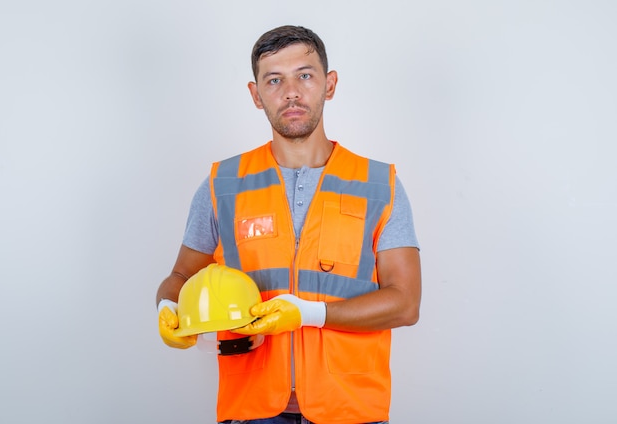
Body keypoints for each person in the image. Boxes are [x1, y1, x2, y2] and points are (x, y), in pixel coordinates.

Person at [156, 25, 422, 424]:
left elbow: (405, 303)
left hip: (350, 409)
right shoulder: (222, 184)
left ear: (329, 85)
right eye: (275, 80)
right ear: (255, 94)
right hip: (251, 408)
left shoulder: (378, 185)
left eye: (305, 75)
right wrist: (167, 306)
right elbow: (181, 275)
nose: (291, 92)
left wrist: (309, 314)